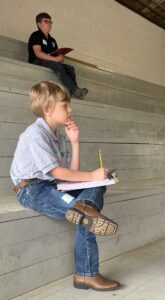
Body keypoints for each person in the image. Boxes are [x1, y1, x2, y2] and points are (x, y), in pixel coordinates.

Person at [10, 81, 120, 291]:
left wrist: (74, 142)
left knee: (96, 189)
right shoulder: (35, 134)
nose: (71, 109)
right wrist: (90, 174)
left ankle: (84, 208)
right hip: (32, 190)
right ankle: (86, 274)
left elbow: (68, 181)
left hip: (53, 186)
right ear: (47, 109)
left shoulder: (58, 137)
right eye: (65, 105)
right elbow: (57, 173)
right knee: (87, 215)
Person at [28, 12, 88, 99]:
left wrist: (59, 58)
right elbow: (38, 53)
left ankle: (74, 92)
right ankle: (75, 90)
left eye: (50, 22)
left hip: (49, 61)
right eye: (46, 21)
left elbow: (55, 54)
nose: (49, 24)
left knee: (70, 68)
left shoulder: (52, 40)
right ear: (38, 23)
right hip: (37, 61)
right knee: (55, 64)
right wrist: (55, 59)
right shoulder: (35, 35)